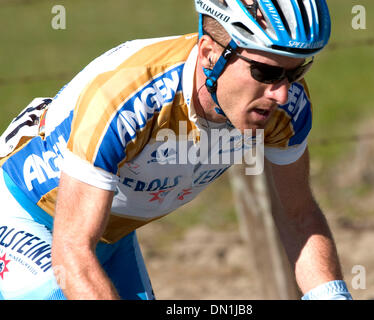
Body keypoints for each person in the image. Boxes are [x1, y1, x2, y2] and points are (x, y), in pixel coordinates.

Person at [0, 0, 352, 300]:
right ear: (210, 53)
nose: (282, 94)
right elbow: (72, 249)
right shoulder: (127, 96)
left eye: (295, 72)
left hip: (108, 230)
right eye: (264, 71)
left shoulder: (286, 109)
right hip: (25, 213)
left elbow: (299, 217)